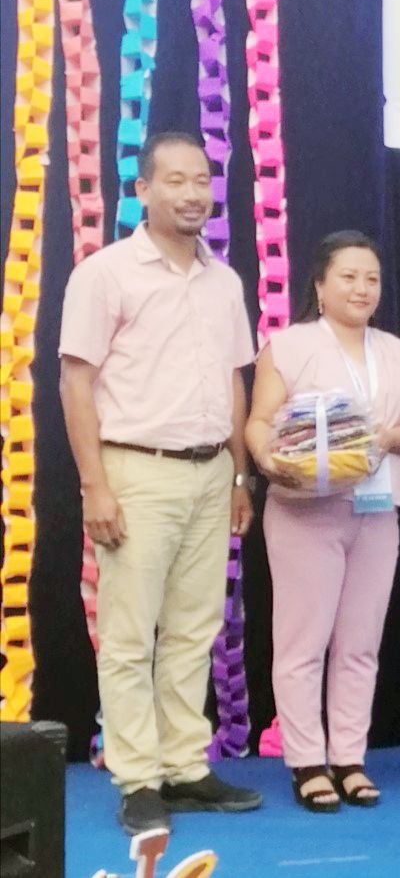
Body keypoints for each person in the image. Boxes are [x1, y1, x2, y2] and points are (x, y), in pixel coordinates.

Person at [59, 131, 262, 835]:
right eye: (173, 179)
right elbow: (75, 380)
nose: (191, 192)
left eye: (200, 178)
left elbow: (236, 380)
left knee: (193, 628)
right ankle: (137, 777)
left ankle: (185, 766)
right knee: (127, 635)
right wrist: (93, 485)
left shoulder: (224, 279)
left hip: (212, 473)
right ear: (141, 189)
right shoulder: (106, 273)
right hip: (134, 469)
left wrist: (240, 472)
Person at [245, 231, 400, 811]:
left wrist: (386, 438)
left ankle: (349, 757)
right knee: (304, 642)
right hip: (305, 510)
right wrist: (271, 461)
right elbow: (258, 421)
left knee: (360, 644)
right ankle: (306, 762)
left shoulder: (397, 351)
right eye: (348, 276)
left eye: (371, 278)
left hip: (376, 510)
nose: (361, 287)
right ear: (320, 286)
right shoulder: (290, 345)